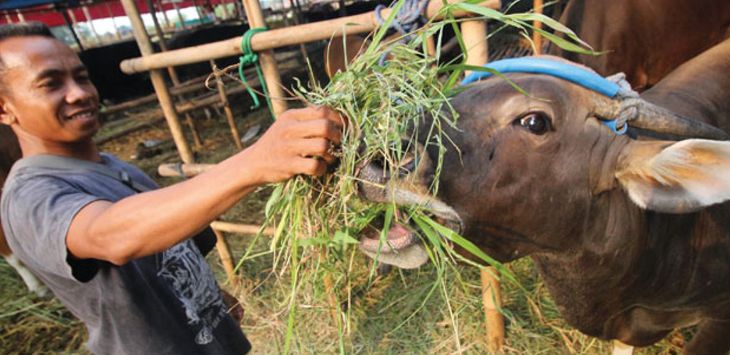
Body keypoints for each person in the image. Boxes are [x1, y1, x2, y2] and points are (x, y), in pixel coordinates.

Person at [0, 22, 343, 354]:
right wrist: (255, 161)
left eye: (82, 77)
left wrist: (207, 294)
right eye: (50, 84)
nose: (79, 93)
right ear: (5, 108)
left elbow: (164, 247)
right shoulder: (28, 194)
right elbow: (109, 235)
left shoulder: (109, 165)